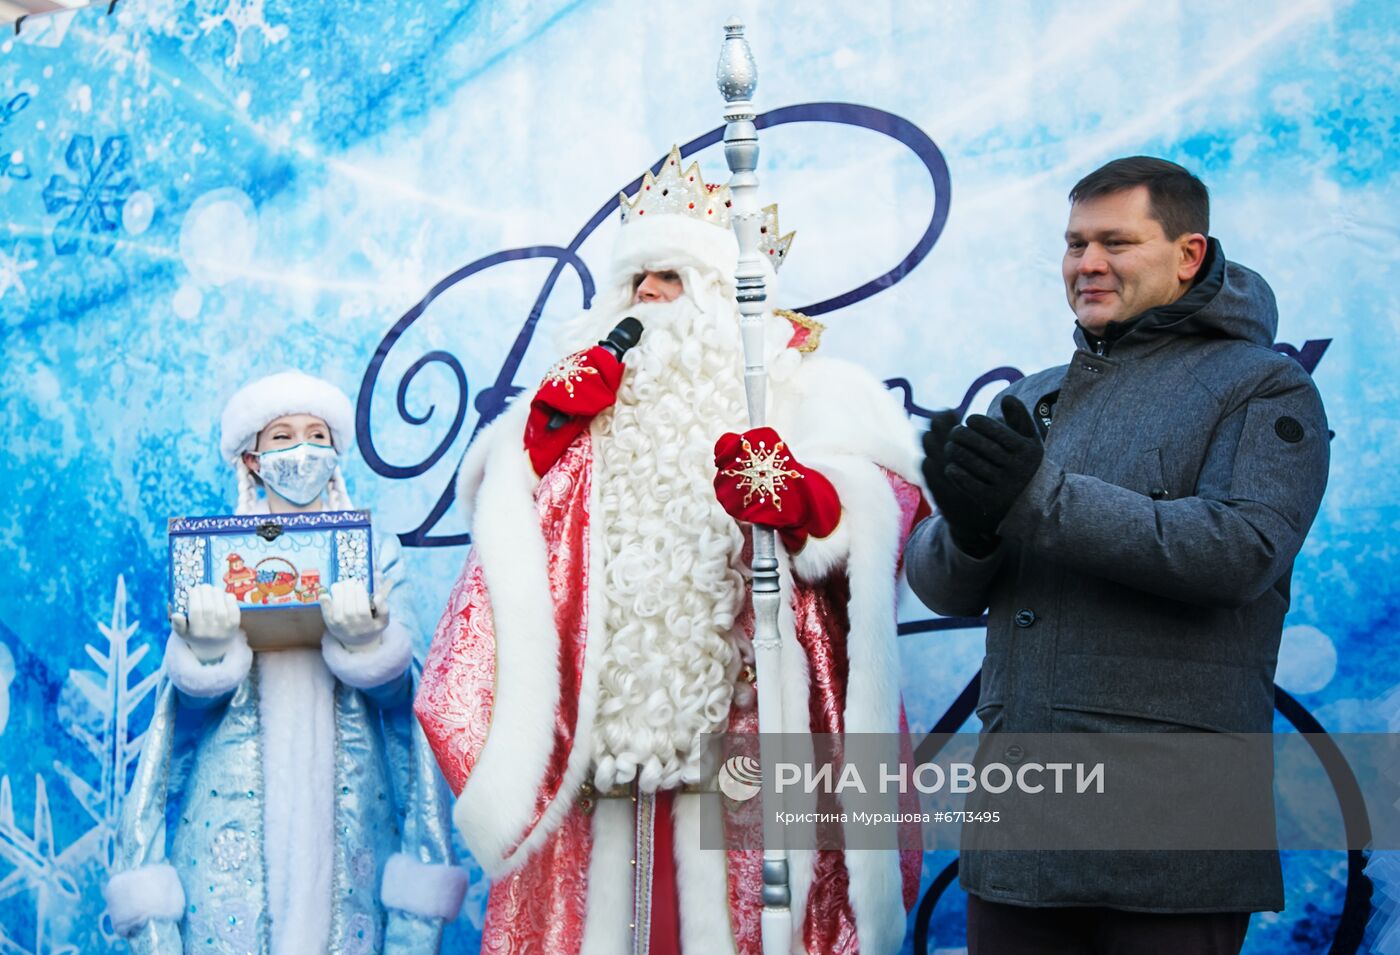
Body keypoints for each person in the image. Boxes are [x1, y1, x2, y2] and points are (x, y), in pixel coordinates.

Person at [414, 147, 927, 953]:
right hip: (599, 760)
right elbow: (509, 528)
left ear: (725, 297)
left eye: (671, 280)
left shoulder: (795, 388)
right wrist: (546, 433)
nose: (648, 297)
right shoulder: (579, 398)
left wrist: (801, 501)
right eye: (635, 281)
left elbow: (884, 499)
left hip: (750, 741)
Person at [905, 156, 1330, 954]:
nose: (1087, 263)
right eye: (1074, 244)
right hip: (1019, 837)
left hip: (1169, 837)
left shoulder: (1264, 388)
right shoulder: (1032, 395)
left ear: (1188, 254)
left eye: (1115, 242)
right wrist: (968, 530)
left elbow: (1241, 552)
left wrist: (1033, 499)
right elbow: (943, 588)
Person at [104, 370, 465, 954]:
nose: (303, 451)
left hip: (350, 821)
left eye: (317, 435)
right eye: (283, 437)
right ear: (251, 459)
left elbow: (408, 703)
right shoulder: (212, 557)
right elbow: (181, 725)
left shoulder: (376, 552)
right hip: (229, 823)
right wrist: (207, 655)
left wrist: (371, 646)